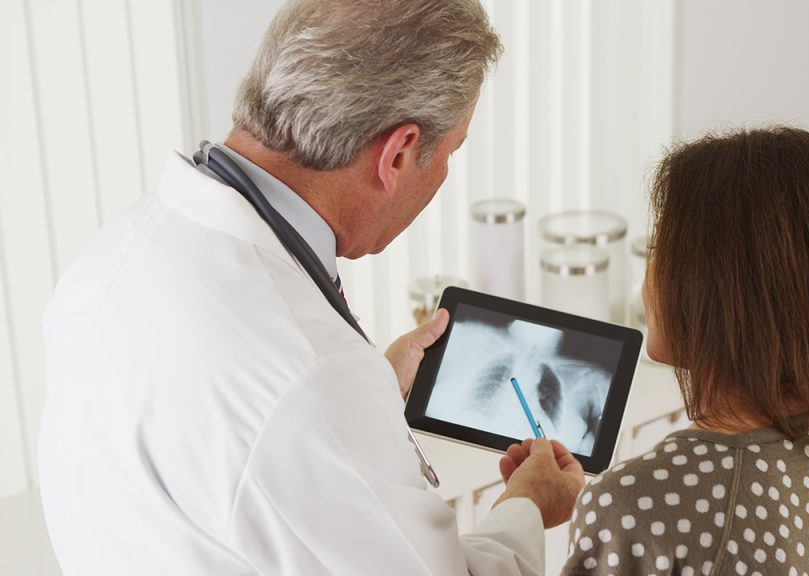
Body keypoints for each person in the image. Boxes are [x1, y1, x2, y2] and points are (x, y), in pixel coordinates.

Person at [38, 1, 583, 574]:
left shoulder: (114, 249)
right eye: (452, 152)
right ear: (398, 154)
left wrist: (365, 394)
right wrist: (527, 504)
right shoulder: (311, 376)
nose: (445, 174)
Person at [550, 127, 809, 575]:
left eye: (657, 249)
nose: (646, 278)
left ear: (717, 288)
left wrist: (522, 514)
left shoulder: (632, 505)